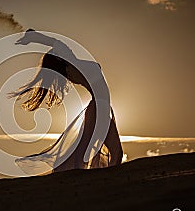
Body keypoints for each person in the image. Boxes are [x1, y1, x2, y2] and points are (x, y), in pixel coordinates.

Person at [10, 29, 123, 174]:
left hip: (99, 109)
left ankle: (101, 181)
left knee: (101, 151)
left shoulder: (71, 66)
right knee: (111, 152)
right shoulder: (71, 65)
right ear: (59, 58)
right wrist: (34, 36)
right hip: (98, 109)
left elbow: (56, 44)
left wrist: (33, 37)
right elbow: (58, 43)